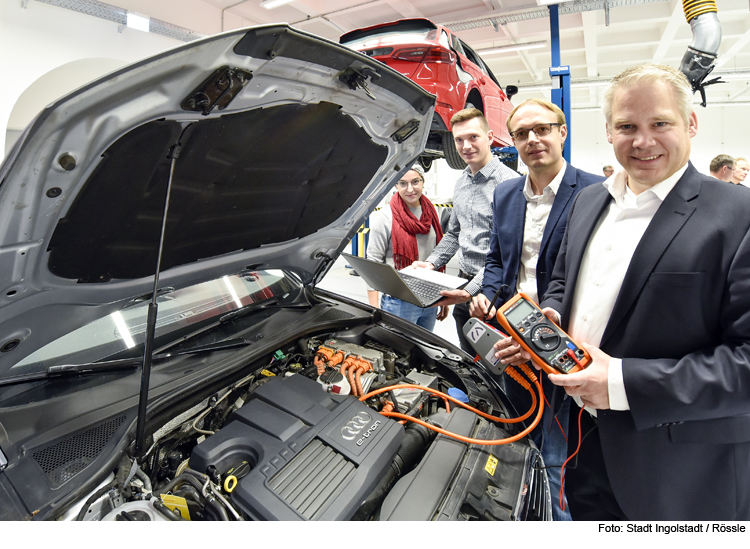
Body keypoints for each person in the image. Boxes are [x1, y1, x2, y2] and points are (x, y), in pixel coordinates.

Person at [511, 63, 750, 520]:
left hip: (678, 466)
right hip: (579, 437)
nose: (643, 141)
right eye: (627, 127)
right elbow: (561, 280)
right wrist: (552, 317)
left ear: (692, 123)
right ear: (608, 131)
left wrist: (621, 383)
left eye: (660, 123)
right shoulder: (588, 201)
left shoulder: (739, 216)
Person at [469, 98, 603, 521]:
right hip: (509, 329)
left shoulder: (593, 192)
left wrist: (550, 321)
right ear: (512, 141)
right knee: (517, 425)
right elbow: (497, 259)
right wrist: (488, 293)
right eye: (522, 133)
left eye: (542, 129)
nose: (533, 140)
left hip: (559, 335)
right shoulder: (507, 193)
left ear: (562, 132)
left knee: (557, 446)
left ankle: (555, 520)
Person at [412, 108, 518, 351]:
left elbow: (506, 253)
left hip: (495, 291)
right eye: (459, 140)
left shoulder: (509, 184)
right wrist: (430, 263)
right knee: (471, 363)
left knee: (499, 366)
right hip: (463, 285)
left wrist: (470, 292)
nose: (465, 146)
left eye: (473, 137)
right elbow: (454, 233)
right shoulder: (460, 182)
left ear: (490, 137)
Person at [365, 164, 449, 330]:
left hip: (429, 296)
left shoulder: (432, 213)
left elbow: (437, 255)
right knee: (398, 351)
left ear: (423, 181)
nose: (410, 189)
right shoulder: (385, 217)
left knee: (424, 351)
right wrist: (373, 309)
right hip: (399, 300)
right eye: (402, 183)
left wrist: (443, 297)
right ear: (395, 185)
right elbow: (373, 264)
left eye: (415, 181)